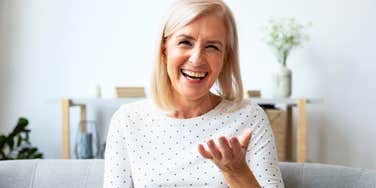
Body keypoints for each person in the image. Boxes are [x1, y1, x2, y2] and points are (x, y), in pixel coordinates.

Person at [103, 0, 284, 187]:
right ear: (164, 51)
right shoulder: (127, 120)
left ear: (224, 58)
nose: (197, 59)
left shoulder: (250, 118)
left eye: (212, 46)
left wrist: (237, 172)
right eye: (185, 42)